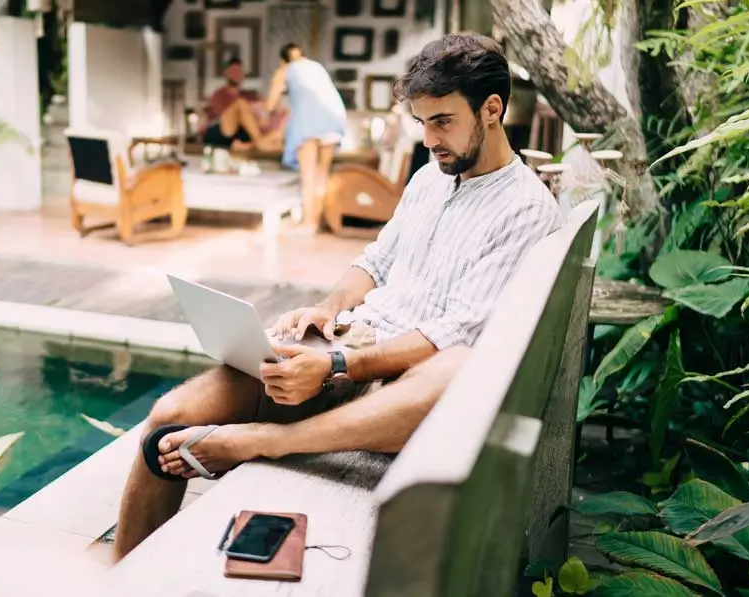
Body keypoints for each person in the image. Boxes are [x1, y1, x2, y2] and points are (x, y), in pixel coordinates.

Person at [111, 33, 562, 562]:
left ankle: (267, 439)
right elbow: (375, 261)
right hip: (349, 349)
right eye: (422, 123)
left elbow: (455, 334)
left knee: (457, 367)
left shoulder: (526, 209)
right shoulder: (429, 180)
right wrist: (326, 311)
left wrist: (335, 366)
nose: (429, 139)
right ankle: (120, 576)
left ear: (492, 109)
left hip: (404, 385)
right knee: (171, 416)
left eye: (442, 121)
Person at [264, 43, 347, 234]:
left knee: (308, 176)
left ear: (283, 60)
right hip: (334, 117)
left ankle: (308, 224)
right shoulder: (316, 67)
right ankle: (316, 221)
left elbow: (270, 104)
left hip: (309, 120)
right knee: (322, 174)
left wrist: (278, 94)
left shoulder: (285, 69)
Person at [202, 57, 285, 153]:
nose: (236, 74)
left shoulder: (250, 95)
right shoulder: (219, 94)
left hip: (242, 133)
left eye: (239, 71)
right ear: (226, 73)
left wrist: (264, 112)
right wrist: (250, 112)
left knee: (277, 131)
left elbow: (270, 106)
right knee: (241, 104)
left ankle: (251, 145)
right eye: (233, 71)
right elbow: (222, 117)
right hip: (222, 131)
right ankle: (259, 142)